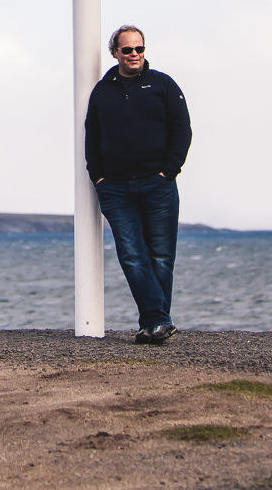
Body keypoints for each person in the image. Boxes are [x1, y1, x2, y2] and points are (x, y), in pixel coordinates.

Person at [84, 24, 192, 344]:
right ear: (115, 52)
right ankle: (158, 320)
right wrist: (98, 176)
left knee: (161, 256)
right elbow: (93, 136)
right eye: (127, 49)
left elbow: (181, 129)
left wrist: (168, 171)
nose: (134, 55)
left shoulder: (163, 85)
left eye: (139, 49)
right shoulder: (103, 91)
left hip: (157, 184)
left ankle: (153, 324)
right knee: (132, 255)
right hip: (115, 188)